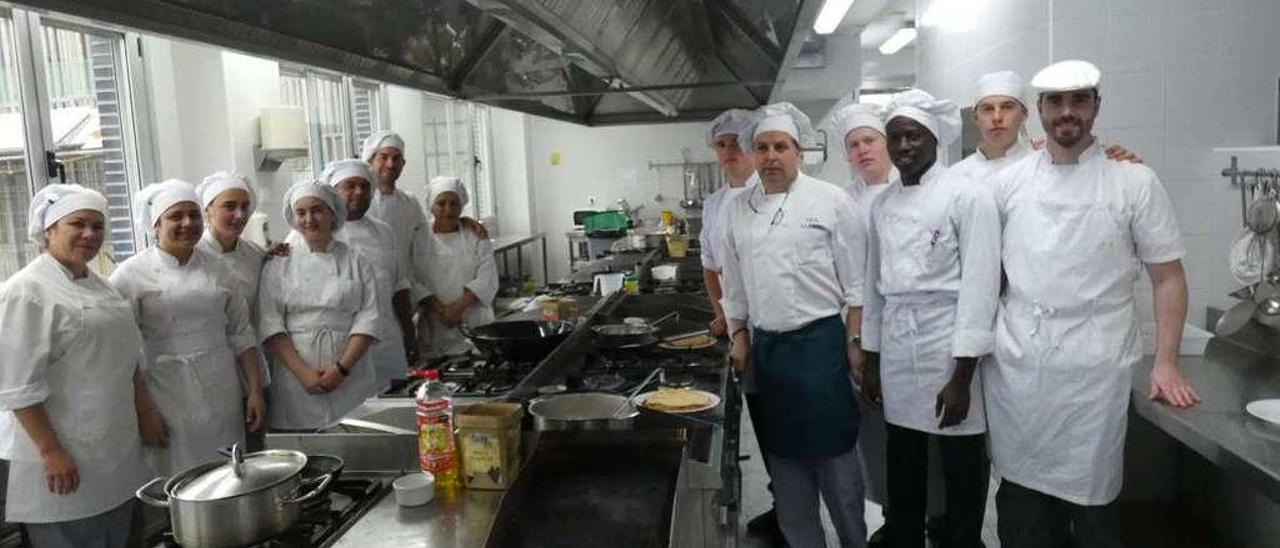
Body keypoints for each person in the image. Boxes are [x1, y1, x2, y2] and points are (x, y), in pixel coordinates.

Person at [987, 59, 1201, 546]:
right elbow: (985, 274)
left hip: (1095, 368)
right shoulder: (1008, 184)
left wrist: (1165, 363)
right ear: (1039, 110)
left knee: (1093, 509)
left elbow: (1167, 277)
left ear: (1096, 107)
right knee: (1021, 510)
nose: (1068, 112)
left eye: (1079, 100)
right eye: (1056, 102)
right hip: (1020, 367)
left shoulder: (1133, 181)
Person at [720, 102, 867, 548]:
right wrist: (739, 336)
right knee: (785, 471)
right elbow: (735, 283)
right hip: (769, 353)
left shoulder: (831, 201)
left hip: (821, 346)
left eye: (780, 147)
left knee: (838, 466)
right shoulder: (738, 209)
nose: (770, 156)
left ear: (797, 151)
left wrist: (855, 343)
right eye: (761, 147)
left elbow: (857, 284)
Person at [860, 89, 1001, 548]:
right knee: (902, 456)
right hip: (899, 343)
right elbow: (873, 287)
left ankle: (963, 540)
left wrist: (962, 376)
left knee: (961, 459)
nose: (903, 146)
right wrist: (873, 359)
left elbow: (981, 288)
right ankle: (903, 535)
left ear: (935, 138)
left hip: (950, 342)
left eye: (913, 136)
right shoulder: (882, 205)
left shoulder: (968, 196)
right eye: (895, 137)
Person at [0, 184, 161, 548]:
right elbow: (17, 386)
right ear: (49, 230)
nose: (89, 234)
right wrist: (50, 451)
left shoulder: (101, 286)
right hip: (64, 451)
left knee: (117, 533)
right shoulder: (27, 291)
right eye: (77, 224)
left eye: (97, 225)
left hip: (113, 447)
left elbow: (127, 358)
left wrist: (145, 410)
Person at [110, 179, 264, 474]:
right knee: (175, 477)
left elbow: (242, 334)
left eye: (193, 215)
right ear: (155, 224)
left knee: (225, 472)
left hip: (222, 388)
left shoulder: (220, 268)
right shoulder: (130, 275)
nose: (187, 223)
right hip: (164, 393)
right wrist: (144, 412)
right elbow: (123, 354)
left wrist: (255, 390)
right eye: (175, 216)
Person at [258, 180, 381, 430]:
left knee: (358, 443)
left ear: (332, 213)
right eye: (301, 212)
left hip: (351, 374)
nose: (309, 219)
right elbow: (270, 321)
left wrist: (341, 369)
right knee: (306, 451)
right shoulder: (280, 262)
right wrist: (302, 373)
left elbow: (369, 318)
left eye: (317, 210)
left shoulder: (356, 260)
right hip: (296, 377)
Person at [305, 159, 415, 386]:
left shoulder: (383, 232)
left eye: (365, 186)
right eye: (350, 186)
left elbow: (399, 286)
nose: (359, 192)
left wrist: (409, 334)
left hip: (387, 342)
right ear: (333, 192)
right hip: (340, 353)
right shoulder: (313, 234)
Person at [951, 70, 1141, 184]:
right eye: (988, 109)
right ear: (975, 117)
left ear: (1025, 114)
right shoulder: (956, 176)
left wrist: (1114, 160)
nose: (997, 117)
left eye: (1008, 107)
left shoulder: (1047, 161)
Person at [194, 171, 271, 449]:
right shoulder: (193, 256)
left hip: (251, 365)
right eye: (229, 206)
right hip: (207, 369)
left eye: (244, 206)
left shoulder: (255, 254)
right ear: (207, 209)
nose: (239, 215)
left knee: (252, 447)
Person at [411, 176, 499, 358]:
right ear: (431, 206)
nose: (448, 209)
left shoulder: (475, 235)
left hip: (473, 321)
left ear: (462, 205)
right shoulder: (419, 238)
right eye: (441, 203)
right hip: (435, 325)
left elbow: (487, 276)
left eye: (454, 203)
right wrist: (441, 311)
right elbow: (412, 278)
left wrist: (457, 308)